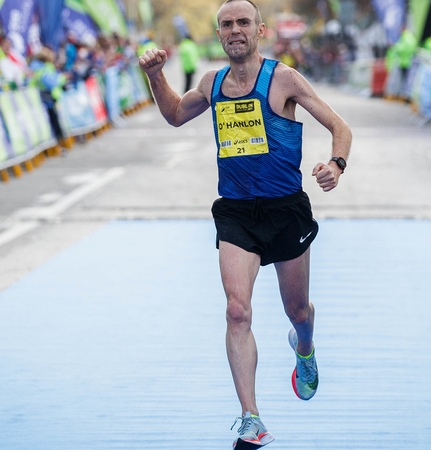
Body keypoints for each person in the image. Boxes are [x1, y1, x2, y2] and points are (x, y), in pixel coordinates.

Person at [138, 0, 352, 447]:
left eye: (243, 23)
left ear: (260, 30)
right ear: (219, 34)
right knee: (237, 310)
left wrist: (336, 163)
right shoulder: (212, 83)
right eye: (226, 24)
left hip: (285, 209)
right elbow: (176, 114)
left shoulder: (284, 79)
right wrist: (156, 76)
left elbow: (339, 126)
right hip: (237, 212)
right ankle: (251, 420)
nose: (235, 30)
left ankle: (305, 346)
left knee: (298, 311)